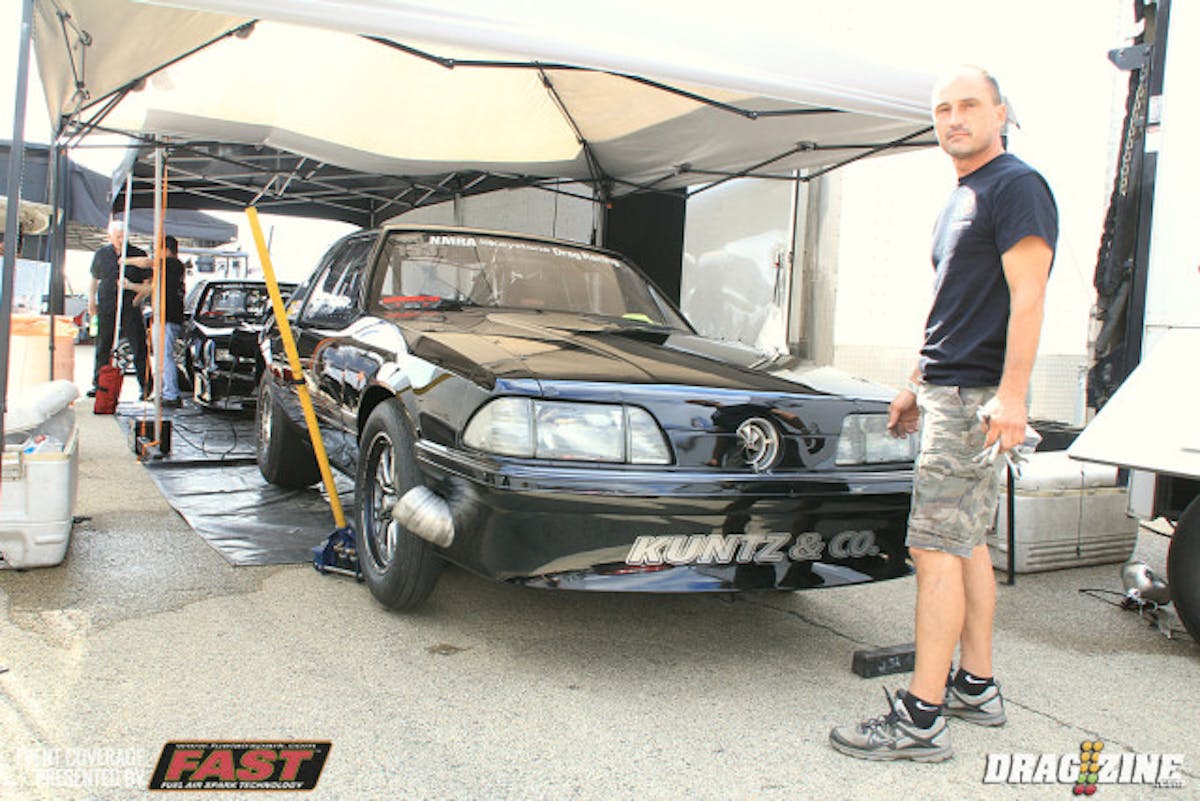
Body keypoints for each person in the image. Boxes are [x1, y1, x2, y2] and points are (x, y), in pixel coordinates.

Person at [829, 65, 1057, 762]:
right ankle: (975, 684)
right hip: (947, 389)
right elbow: (952, 303)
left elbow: (1029, 296)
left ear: (1000, 112)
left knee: (933, 548)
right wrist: (913, 381)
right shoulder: (963, 195)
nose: (953, 118)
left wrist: (1013, 394)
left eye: (968, 106)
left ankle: (921, 718)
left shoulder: (1017, 186)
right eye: (942, 110)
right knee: (966, 543)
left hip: (973, 398)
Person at [88, 220, 151, 399]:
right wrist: (91, 299)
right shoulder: (101, 254)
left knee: (138, 345)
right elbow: (94, 279)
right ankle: (98, 384)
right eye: (117, 236)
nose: (121, 239)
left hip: (129, 306)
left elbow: (147, 282)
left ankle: (145, 386)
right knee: (103, 345)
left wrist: (138, 298)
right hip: (107, 304)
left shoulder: (138, 254)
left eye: (124, 236)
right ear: (110, 237)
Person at [126, 235, 187, 408]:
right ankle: (164, 392)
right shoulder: (169, 269)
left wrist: (125, 261)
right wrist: (137, 298)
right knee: (161, 356)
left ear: (165, 249)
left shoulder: (171, 264)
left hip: (167, 316)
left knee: (164, 356)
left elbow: (146, 263)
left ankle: (170, 393)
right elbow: (151, 287)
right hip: (165, 316)